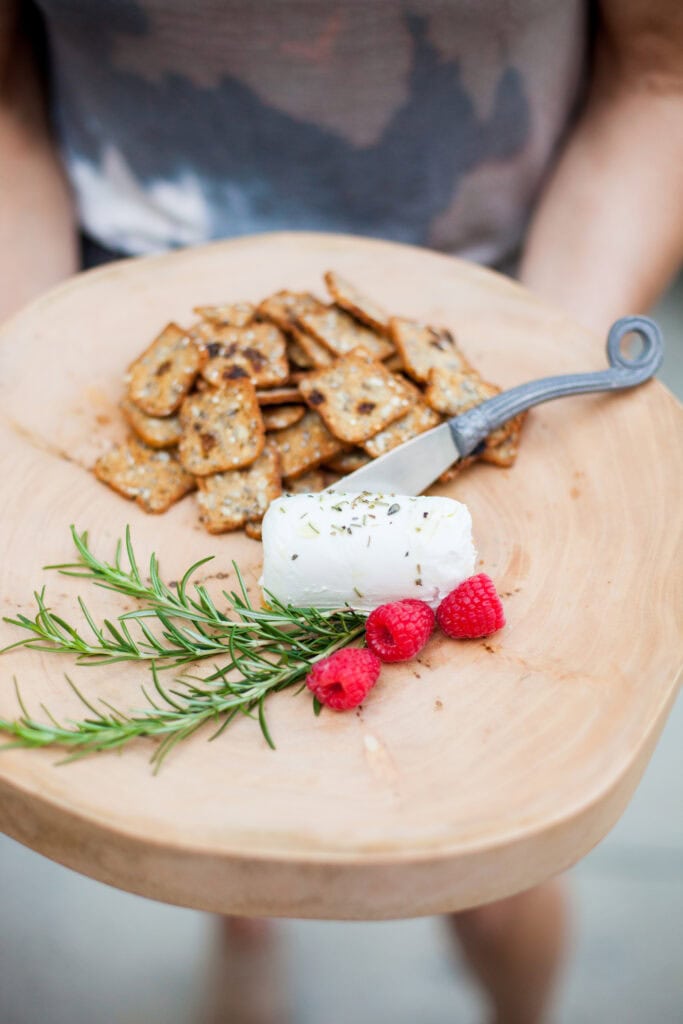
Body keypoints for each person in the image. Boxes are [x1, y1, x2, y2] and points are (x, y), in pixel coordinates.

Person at [1, 3, 681, 1023]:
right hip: (112, 288)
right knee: (233, 792)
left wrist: (544, 358)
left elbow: (658, 77)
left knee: (499, 883)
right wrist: (31, 354)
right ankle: (244, 930)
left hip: (500, 297)